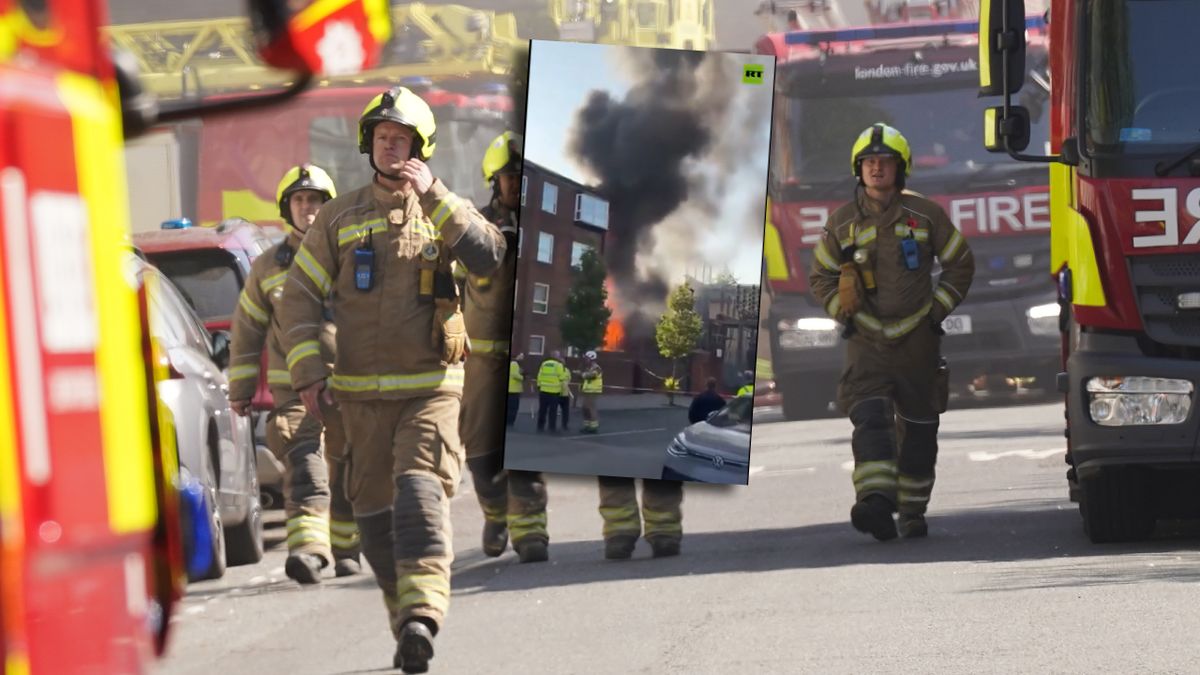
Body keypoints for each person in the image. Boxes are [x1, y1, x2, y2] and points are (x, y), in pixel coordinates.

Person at [278, 86, 505, 673]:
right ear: (368, 144)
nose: (389, 146)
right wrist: (308, 371)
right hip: (358, 401)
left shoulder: (443, 207)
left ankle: (425, 614)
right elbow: (298, 296)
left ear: (419, 147)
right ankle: (406, 621)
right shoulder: (338, 217)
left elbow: (489, 255)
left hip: (431, 389)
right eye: (381, 137)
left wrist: (436, 196)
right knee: (375, 522)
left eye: (400, 138)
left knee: (421, 496)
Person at [808, 123, 974, 542]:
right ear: (858, 168)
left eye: (885, 161)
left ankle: (913, 510)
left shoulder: (926, 216)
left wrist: (936, 311)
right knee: (870, 420)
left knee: (919, 429)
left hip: (918, 340)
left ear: (901, 168)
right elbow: (820, 277)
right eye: (869, 162)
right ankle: (876, 503)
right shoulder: (841, 223)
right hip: (866, 342)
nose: (876, 168)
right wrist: (842, 312)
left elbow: (960, 264)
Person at [227, 163, 361, 583]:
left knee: (348, 468)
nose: (308, 207)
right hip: (294, 393)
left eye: (315, 199)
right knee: (305, 466)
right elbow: (247, 331)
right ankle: (309, 550)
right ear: (287, 209)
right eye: (300, 200)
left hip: (350, 387)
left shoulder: (354, 255)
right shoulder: (269, 267)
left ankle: (347, 547)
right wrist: (240, 390)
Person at [461, 131, 549, 564]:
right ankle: (496, 515)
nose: (517, 184)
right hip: (479, 363)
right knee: (480, 454)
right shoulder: (473, 228)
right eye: (510, 176)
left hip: (522, 362)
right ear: (494, 181)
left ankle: (531, 533)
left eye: (523, 176)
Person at [536, 351, 568, 432]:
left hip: (543, 390)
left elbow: (539, 375)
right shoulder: (558, 365)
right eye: (559, 356)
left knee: (542, 409)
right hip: (554, 391)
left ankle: (540, 426)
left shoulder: (544, 364)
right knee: (553, 411)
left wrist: (539, 385)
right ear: (556, 356)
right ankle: (551, 427)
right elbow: (562, 377)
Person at [579, 350, 603, 433]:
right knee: (585, 408)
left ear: (592, 358)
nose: (585, 360)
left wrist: (581, 374)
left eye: (587, 358)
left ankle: (593, 427)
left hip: (593, 391)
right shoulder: (588, 368)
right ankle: (587, 425)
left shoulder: (596, 368)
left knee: (591, 408)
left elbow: (591, 375)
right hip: (587, 391)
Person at [507, 353, 525, 428]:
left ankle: (510, 421)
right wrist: (523, 377)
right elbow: (515, 375)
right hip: (513, 390)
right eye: (521, 356)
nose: (522, 358)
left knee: (511, 407)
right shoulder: (514, 363)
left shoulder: (515, 364)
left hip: (513, 389)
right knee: (513, 407)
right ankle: (510, 422)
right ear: (517, 356)